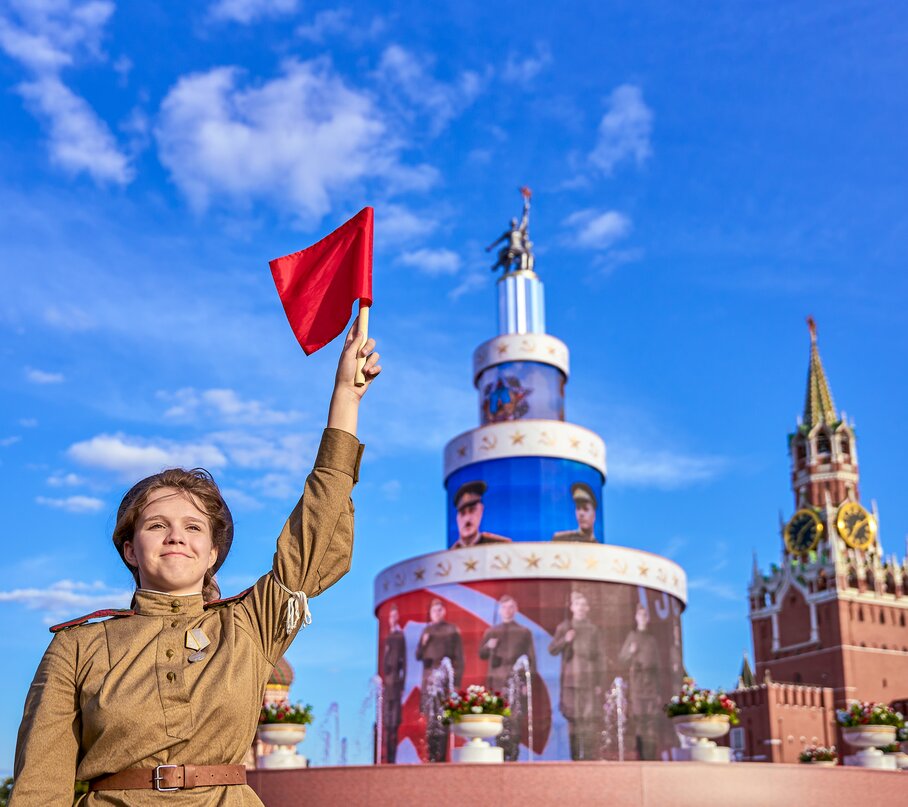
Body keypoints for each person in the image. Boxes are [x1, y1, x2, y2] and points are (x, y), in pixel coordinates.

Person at [11, 317, 380, 805]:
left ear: (212, 554)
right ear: (129, 548)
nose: (175, 537)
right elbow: (39, 786)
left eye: (193, 527)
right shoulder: (77, 648)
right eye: (156, 525)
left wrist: (345, 400)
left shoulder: (250, 624)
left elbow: (314, 534)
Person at [548, 591, 604, 760]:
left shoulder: (593, 630)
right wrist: (565, 640)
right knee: (572, 720)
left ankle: (588, 758)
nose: (580, 607)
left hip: (588, 682)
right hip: (570, 682)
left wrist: (599, 683)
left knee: (588, 721)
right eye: (577, 604)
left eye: (583, 605)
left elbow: (600, 657)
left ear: (588, 608)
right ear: (572, 607)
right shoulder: (565, 627)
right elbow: (552, 649)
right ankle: (575, 759)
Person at [478, 595, 536, 761]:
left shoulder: (524, 632)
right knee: (499, 720)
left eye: (511, 607)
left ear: (516, 609)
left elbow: (531, 660)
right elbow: (481, 654)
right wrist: (488, 646)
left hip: (516, 682)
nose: (507, 611)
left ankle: (513, 757)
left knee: (515, 719)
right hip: (496, 682)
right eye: (504, 607)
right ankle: (501, 756)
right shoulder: (491, 632)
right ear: (499, 610)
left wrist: (526, 683)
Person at [415, 599, 463, 762]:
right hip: (429, 682)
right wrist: (423, 643)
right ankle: (431, 757)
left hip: (444, 682)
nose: (436, 613)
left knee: (443, 719)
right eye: (433, 610)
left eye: (439, 610)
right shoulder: (426, 631)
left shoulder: (451, 630)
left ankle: (441, 758)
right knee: (430, 720)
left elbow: (459, 658)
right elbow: (418, 656)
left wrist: (456, 683)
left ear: (444, 612)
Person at [617, 603, 661, 759]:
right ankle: (641, 755)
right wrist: (631, 652)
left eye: (645, 615)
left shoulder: (652, 640)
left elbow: (658, 667)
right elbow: (621, 660)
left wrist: (658, 691)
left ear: (647, 618)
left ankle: (650, 756)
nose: (642, 618)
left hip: (651, 686)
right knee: (639, 719)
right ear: (636, 617)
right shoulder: (632, 637)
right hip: (637, 685)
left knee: (650, 721)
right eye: (640, 615)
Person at [380, 604, 406, 764]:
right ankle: (387, 758)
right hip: (387, 685)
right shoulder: (388, 635)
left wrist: (401, 685)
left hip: (395, 684)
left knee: (394, 722)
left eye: (395, 616)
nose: (392, 619)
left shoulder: (399, 636)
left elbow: (404, 662)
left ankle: (392, 758)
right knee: (386, 723)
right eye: (391, 616)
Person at [451, 481, 511, 548]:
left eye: (472, 510)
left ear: (481, 511)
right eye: (463, 513)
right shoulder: (450, 553)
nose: (467, 518)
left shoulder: (501, 545)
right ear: (457, 518)